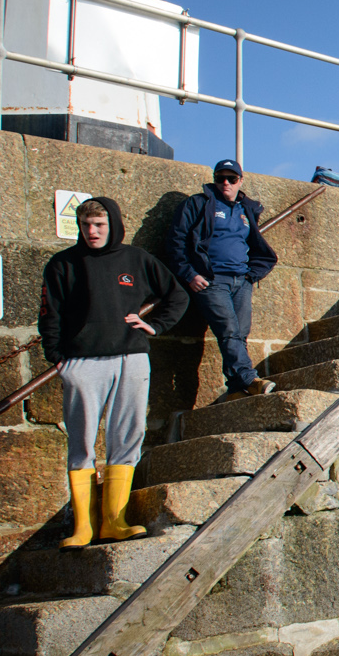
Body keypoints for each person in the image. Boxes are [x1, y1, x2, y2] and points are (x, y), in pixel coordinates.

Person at [38, 197, 187, 548]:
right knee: (81, 442)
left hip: (131, 357)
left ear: (113, 225)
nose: (92, 232)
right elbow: (50, 314)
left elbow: (176, 296)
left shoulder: (136, 259)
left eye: (100, 225)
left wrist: (154, 326)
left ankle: (114, 521)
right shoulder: (62, 264)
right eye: (86, 225)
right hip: (82, 363)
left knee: (127, 436)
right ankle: (83, 528)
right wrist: (57, 358)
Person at [172, 158, 281, 404]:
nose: (225, 183)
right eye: (220, 178)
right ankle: (248, 379)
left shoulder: (246, 210)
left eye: (231, 179)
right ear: (214, 179)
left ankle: (234, 388)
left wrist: (251, 275)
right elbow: (176, 242)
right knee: (229, 330)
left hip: (241, 280)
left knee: (240, 333)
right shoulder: (198, 204)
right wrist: (190, 274)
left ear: (240, 181)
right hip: (212, 280)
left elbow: (252, 244)